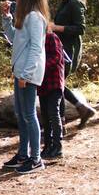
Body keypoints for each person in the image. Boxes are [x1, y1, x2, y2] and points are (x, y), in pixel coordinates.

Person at [0, 0, 49, 174]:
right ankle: (23, 154)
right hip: (20, 72)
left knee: (29, 115)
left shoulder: (35, 18)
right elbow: (13, 39)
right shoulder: (25, 16)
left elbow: (36, 49)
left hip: (28, 74)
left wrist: (26, 75)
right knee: (21, 115)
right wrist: (6, 18)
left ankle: (36, 158)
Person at [50, 0, 96, 129]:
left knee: (57, 85)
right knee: (58, 84)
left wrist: (56, 28)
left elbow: (80, 28)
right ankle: (80, 110)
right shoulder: (67, 0)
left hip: (70, 51)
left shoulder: (76, 2)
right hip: (61, 48)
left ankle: (62, 122)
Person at [38, 31, 65, 159]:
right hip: (42, 83)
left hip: (54, 82)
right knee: (44, 114)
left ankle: (57, 146)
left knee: (54, 113)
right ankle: (47, 145)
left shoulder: (52, 37)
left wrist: (39, 66)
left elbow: (56, 57)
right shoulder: (35, 39)